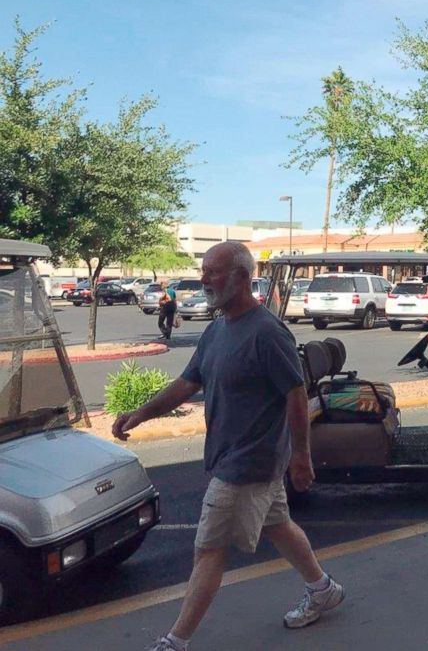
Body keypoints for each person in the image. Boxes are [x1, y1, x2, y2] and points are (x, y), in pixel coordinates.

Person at [113, 242, 344, 651]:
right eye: (204, 270)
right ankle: (322, 588)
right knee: (278, 526)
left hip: (246, 464)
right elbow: (188, 383)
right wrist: (139, 414)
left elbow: (295, 393)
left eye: (213, 272)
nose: (204, 279)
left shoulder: (268, 332)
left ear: (241, 277)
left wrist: (301, 456)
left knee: (208, 550)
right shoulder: (217, 329)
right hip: (232, 456)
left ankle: (175, 641)